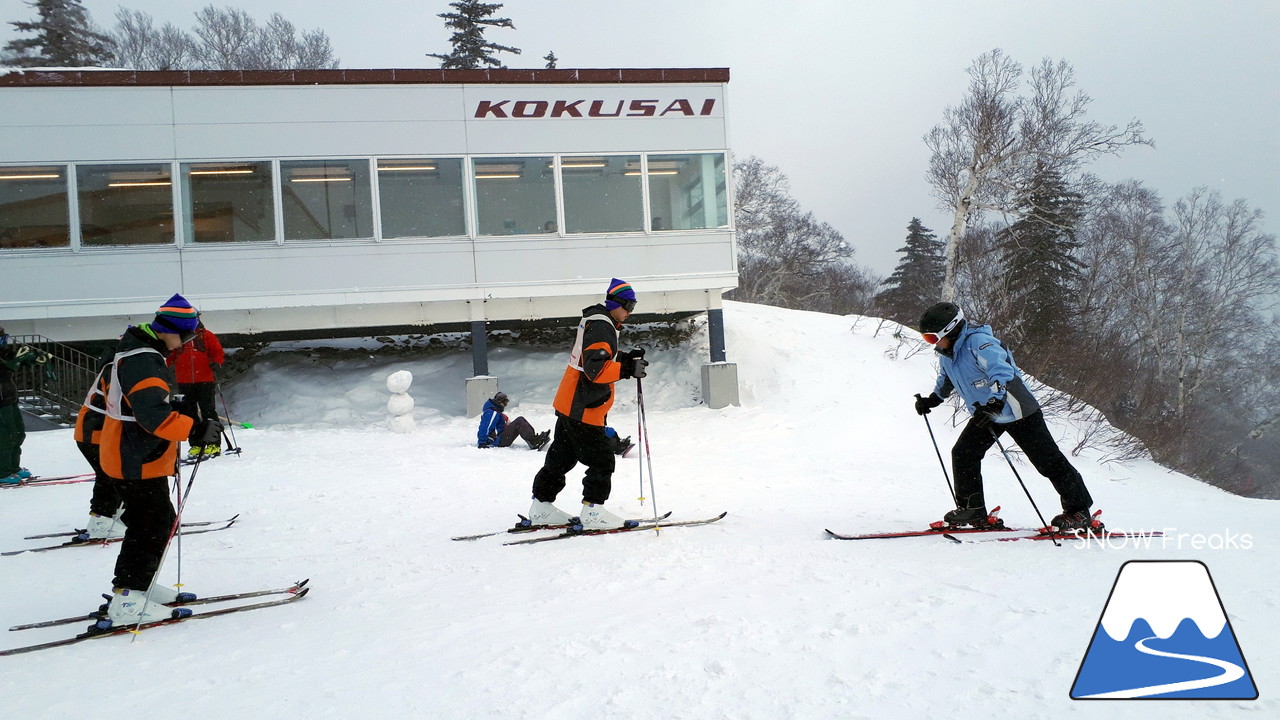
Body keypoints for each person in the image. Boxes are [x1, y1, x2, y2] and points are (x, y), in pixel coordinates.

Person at [89, 294, 223, 633]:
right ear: (170, 331)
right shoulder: (144, 358)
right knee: (152, 523)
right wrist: (194, 429)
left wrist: (175, 409)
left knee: (149, 521)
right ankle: (129, 600)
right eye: (188, 336)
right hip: (134, 454)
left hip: (134, 452)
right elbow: (150, 416)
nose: (188, 342)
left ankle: (136, 589)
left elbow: (143, 404)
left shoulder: (140, 350)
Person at [913, 302, 1101, 533]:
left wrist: (995, 401)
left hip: (1017, 409)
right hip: (987, 412)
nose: (932, 344)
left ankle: (1079, 511)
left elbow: (1001, 371)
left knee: (1047, 461)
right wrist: (934, 399)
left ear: (950, 330)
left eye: (932, 338)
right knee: (964, 453)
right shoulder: (947, 354)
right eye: (927, 339)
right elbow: (947, 378)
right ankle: (973, 509)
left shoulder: (979, 343)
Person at [525, 278, 648, 530]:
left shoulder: (599, 321)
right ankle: (593, 512)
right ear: (617, 303)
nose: (630, 312)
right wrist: (626, 369)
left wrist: (625, 358)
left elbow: (594, 357)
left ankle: (541, 507)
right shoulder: (602, 325)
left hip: (571, 402)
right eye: (629, 306)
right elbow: (595, 370)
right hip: (584, 406)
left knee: (560, 459)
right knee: (602, 460)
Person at [72, 343, 126, 540]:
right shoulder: (116, 368)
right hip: (95, 432)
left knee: (117, 475)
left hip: (98, 430)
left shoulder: (115, 365)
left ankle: (114, 514)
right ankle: (101, 520)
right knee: (109, 475)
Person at [0, 327, 52, 484]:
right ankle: (2, 472)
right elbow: (6, 368)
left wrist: (35, 358)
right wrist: (16, 360)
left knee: (17, 433)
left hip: (10, 398)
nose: (3, 344)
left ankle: (13, 467)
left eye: (4, 339)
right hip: (0, 402)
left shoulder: (3, 352)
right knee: (5, 436)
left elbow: (15, 360)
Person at [168, 321, 225, 459]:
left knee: (208, 411)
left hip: (205, 380)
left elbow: (218, 352)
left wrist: (217, 363)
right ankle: (196, 444)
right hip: (185, 381)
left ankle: (213, 443)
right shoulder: (178, 337)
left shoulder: (207, 336)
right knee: (189, 414)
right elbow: (170, 356)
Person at [476, 392, 550, 450]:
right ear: (499, 401)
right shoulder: (491, 412)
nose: (505, 405)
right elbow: (484, 427)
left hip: (499, 438)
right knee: (519, 421)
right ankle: (534, 442)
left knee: (521, 419)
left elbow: (501, 427)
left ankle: (534, 438)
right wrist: (482, 443)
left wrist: (509, 429)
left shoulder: (496, 412)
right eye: (505, 402)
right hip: (497, 442)